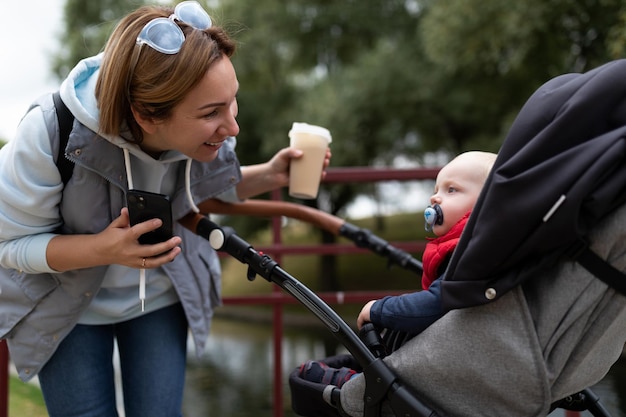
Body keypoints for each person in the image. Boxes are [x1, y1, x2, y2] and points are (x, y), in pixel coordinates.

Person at [0, 2, 330, 417]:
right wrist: (101, 249)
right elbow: (10, 247)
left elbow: (199, 189)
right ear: (145, 116)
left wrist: (270, 174)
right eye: (212, 113)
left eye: (233, 102)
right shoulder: (48, 132)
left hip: (157, 300)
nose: (233, 127)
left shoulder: (195, 122)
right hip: (67, 309)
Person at [299, 151, 496, 387]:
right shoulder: (478, 248)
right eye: (435, 190)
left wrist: (378, 309)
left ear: (488, 202)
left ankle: (362, 383)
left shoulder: (474, 254)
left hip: (456, 358)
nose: (435, 199)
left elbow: (436, 304)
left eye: (451, 190)